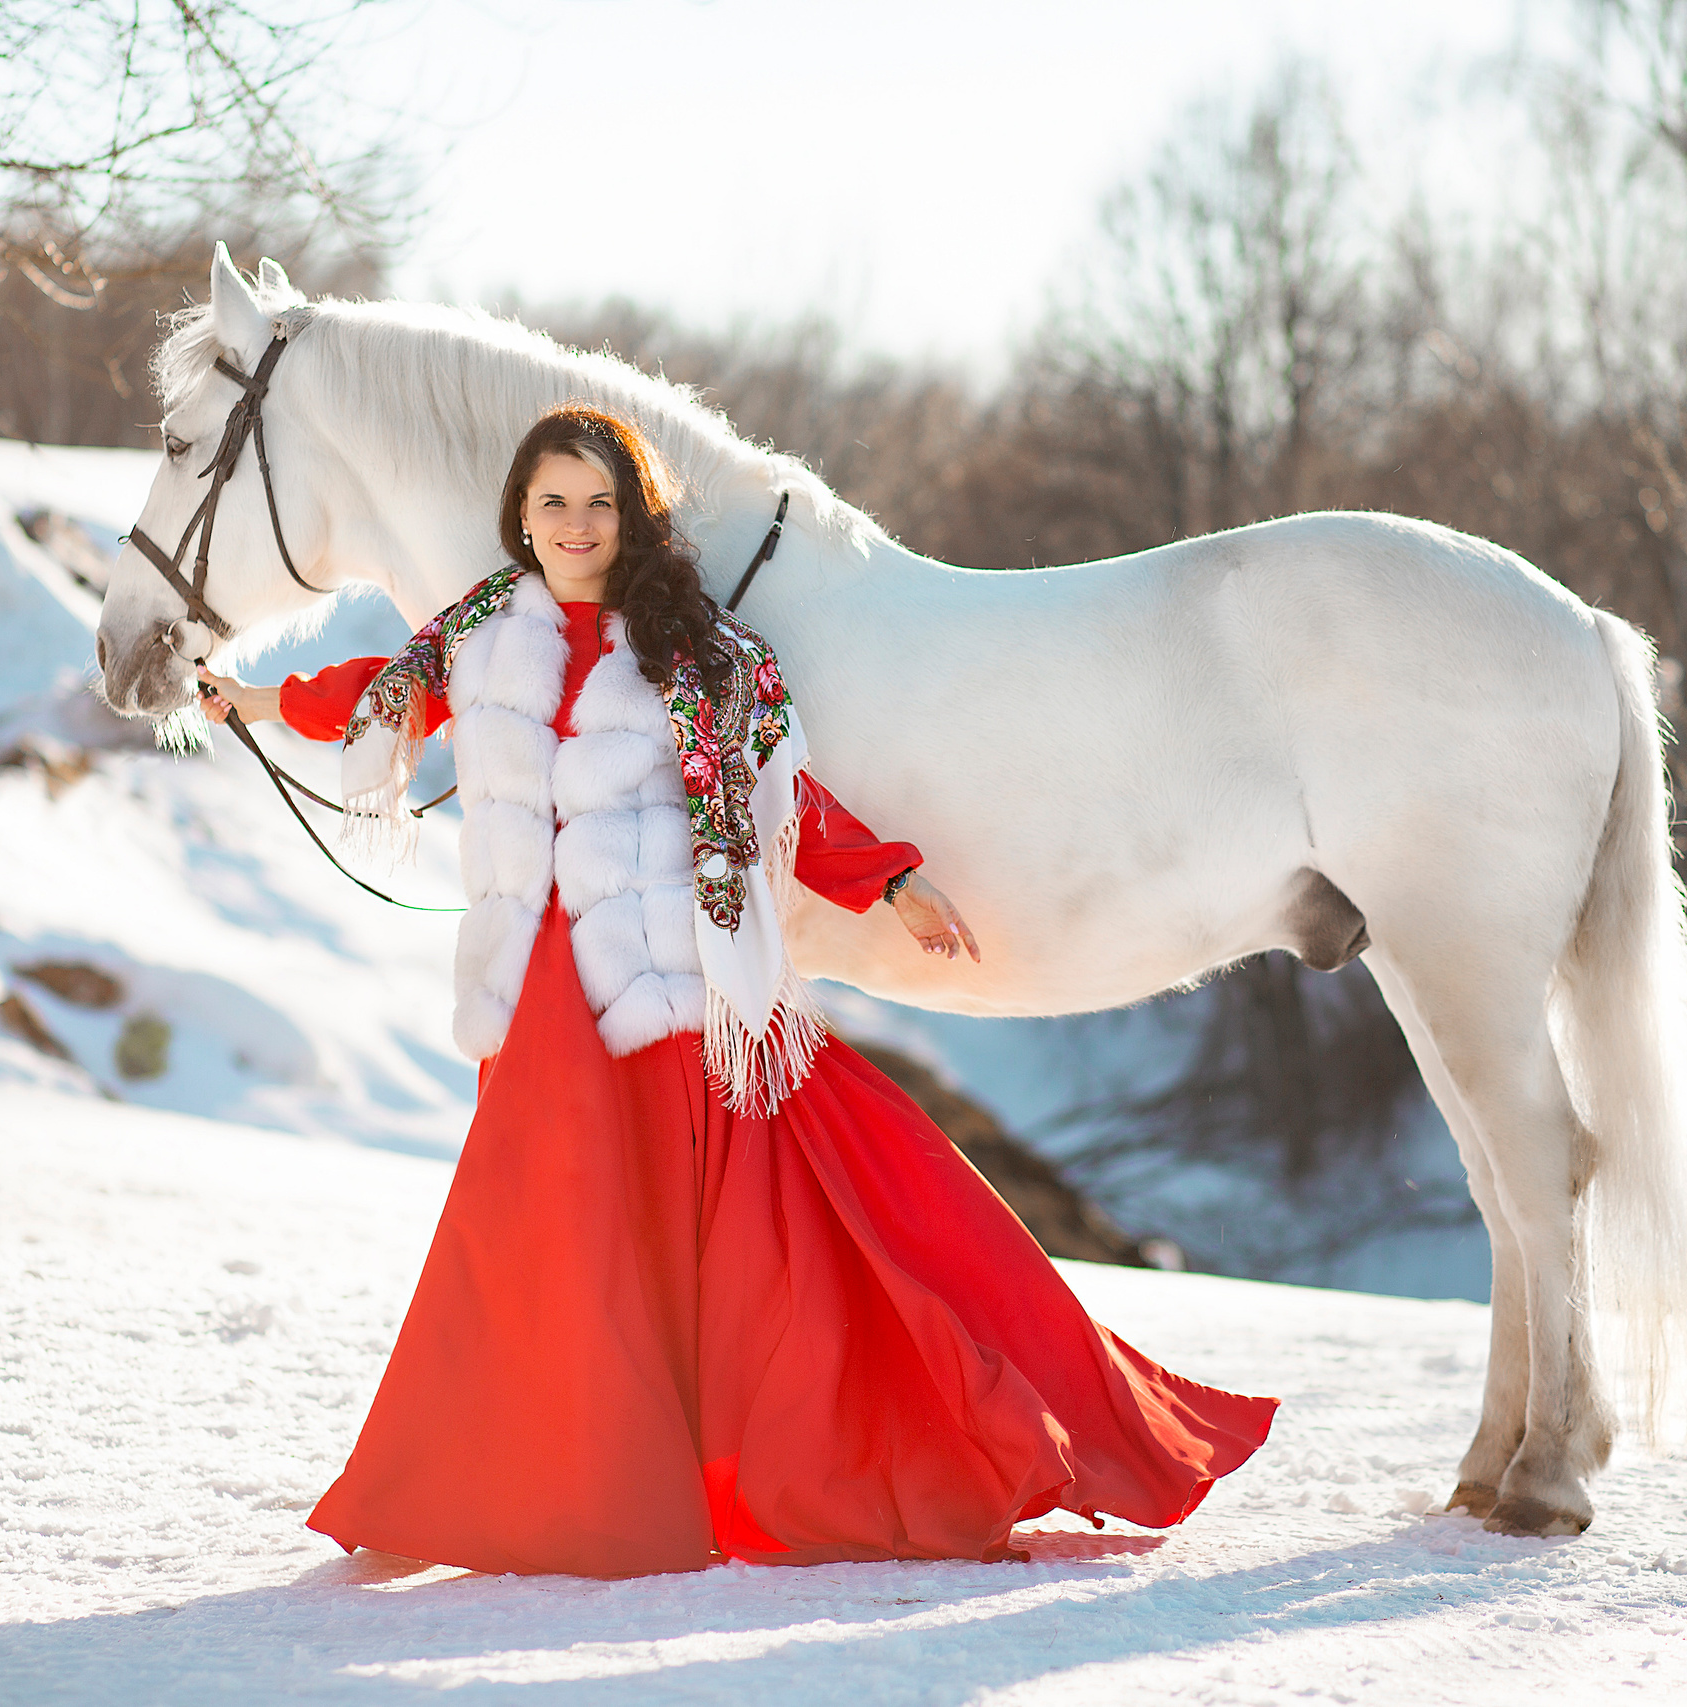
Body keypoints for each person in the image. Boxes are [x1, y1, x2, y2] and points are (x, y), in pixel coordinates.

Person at [196, 404, 1275, 1579]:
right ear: (520, 512)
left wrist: (891, 882)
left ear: (633, 516)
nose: (573, 524)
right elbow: (381, 692)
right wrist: (249, 704)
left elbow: (778, 800)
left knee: (697, 1230)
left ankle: (631, 1488)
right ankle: (519, 1486)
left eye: (598, 503)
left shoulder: (698, 653)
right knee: (535, 1235)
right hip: (530, 974)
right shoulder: (480, 631)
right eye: (551, 501)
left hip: (662, 981)